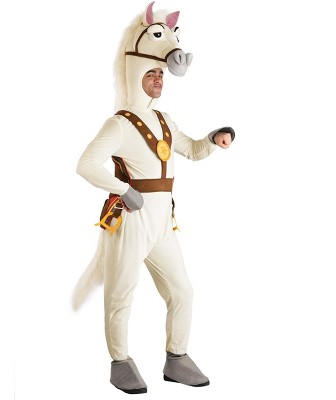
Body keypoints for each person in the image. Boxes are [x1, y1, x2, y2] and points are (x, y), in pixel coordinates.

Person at [73, 2, 235, 394]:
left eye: (161, 74)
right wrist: (123, 190)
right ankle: (120, 363)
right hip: (130, 221)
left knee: (182, 292)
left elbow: (191, 150)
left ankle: (176, 358)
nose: (159, 79)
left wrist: (213, 139)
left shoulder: (163, 120)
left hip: (162, 225)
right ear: (136, 74)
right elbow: (86, 165)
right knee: (121, 296)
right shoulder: (118, 124)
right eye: (152, 73)